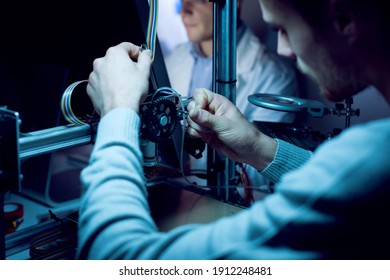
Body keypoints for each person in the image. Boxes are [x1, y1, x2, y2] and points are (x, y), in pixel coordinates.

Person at [78, 0, 390, 259]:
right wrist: (256, 145)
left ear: (344, 19)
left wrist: (117, 111)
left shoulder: (372, 159)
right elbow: (333, 184)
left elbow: (115, 259)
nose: (283, 48)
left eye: (282, 29)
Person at [165, 0, 299, 188]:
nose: (184, 11)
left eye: (199, 0)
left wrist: (186, 169)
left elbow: (263, 173)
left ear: (232, 4)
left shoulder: (274, 75)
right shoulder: (172, 59)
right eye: (182, 0)